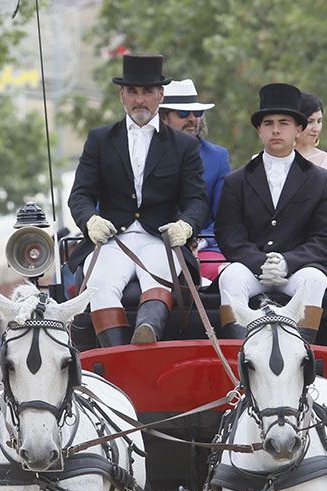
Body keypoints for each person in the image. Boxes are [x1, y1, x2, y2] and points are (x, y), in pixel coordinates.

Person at [67, 53, 210, 347]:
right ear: (122, 95)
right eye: (133, 92)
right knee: (99, 285)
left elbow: (197, 201)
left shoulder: (183, 146)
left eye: (147, 92)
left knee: (157, 280)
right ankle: (117, 353)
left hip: (159, 238)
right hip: (112, 238)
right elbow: (80, 194)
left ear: (160, 95)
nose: (140, 99)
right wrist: (90, 220)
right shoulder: (100, 139)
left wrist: (185, 226)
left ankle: (146, 335)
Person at [215, 83, 327, 343]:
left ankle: (303, 355)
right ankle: (239, 353)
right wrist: (259, 262)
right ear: (259, 130)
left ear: (298, 128)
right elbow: (229, 234)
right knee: (229, 277)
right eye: (268, 123)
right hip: (253, 269)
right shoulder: (236, 180)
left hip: (298, 269)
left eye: (284, 123)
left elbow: (326, 237)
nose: (275, 130)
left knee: (314, 280)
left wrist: (287, 262)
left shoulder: (321, 179)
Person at [158, 78, 231, 279]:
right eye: (183, 113)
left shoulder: (217, 157)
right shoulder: (146, 153)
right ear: (164, 117)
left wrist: (199, 242)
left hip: (203, 245)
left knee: (228, 274)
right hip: (155, 244)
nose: (192, 119)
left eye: (197, 113)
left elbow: (223, 217)